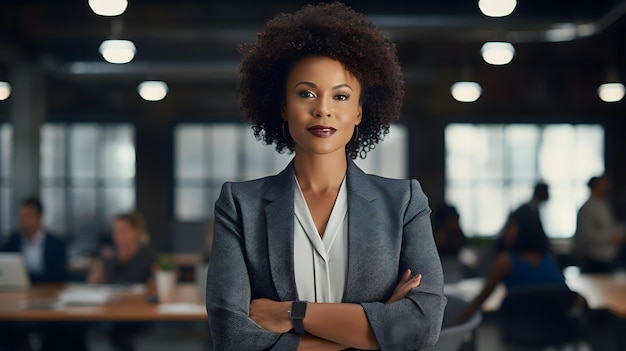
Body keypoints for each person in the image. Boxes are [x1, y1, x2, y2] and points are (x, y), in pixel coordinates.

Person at [205, 3, 446, 350]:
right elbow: (232, 336)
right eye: (306, 93)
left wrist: (292, 313)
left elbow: (421, 328)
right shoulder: (240, 206)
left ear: (360, 111)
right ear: (284, 106)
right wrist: (374, 334)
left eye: (341, 96)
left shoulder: (405, 202)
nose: (323, 108)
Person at [456, 199, 572, 324]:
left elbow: (480, 299)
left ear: (523, 230)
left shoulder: (505, 261)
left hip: (521, 332)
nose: (506, 231)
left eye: (510, 226)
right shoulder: (548, 259)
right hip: (555, 329)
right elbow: (568, 295)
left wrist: (454, 325)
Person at [87, 211, 157, 351]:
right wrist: (100, 262)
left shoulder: (148, 254)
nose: (118, 236)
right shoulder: (109, 255)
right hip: (112, 309)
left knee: (120, 334)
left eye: (123, 231)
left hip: (138, 311)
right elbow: (92, 284)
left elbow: (155, 288)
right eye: (115, 231)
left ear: (136, 232)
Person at [1, 197, 67, 283]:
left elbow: (58, 276)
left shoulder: (56, 244)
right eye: (21, 216)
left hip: (47, 289)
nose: (23, 220)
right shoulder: (13, 240)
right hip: (19, 288)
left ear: (39, 218)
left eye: (27, 216)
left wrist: (28, 277)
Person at [573, 175, 626, 273]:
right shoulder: (587, 208)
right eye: (604, 184)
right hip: (594, 258)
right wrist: (611, 237)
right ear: (595, 186)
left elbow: (608, 227)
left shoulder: (604, 204)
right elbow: (586, 235)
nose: (608, 186)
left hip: (608, 257)